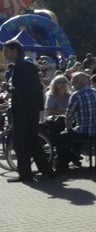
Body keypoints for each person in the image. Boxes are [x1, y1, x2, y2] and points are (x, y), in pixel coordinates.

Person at [4, 40, 54, 182]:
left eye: (7, 51)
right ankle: (46, 170)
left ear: (14, 51)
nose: (5, 54)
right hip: (32, 110)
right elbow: (34, 88)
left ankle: (25, 174)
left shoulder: (20, 67)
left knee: (21, 144)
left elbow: (21, 91)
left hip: (22, 110)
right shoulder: (28, 64)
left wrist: (8, 89)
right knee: (33, 141)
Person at [56, 72, 96, 173]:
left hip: (85, 131)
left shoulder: (76, 95)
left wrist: (68, 129)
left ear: (78, 82)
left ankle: (62, 165)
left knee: (62, 137)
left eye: (73, 83)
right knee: (75, 135)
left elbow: (69, 116)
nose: (72, 85)